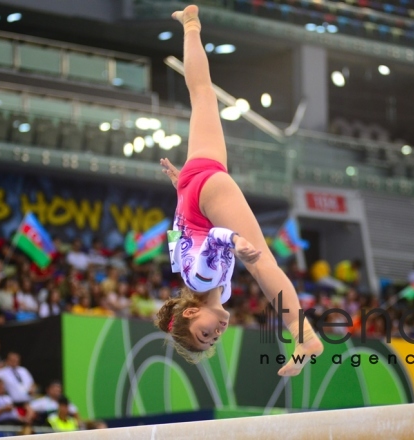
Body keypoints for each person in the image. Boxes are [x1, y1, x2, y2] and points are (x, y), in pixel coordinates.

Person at [155, 5, 322, 376]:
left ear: (191, 311)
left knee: (263, 262)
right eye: (212, 341)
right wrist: (180, 188)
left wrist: (234, 242)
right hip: (194, 191)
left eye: (203, 333)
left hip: (203, 195)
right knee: (201, 94)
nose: (215, 334)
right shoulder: (212, 288)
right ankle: (191, 24)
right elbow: (176, 235)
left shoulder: (202, 280)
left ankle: (305, 335)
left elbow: (212, 237)